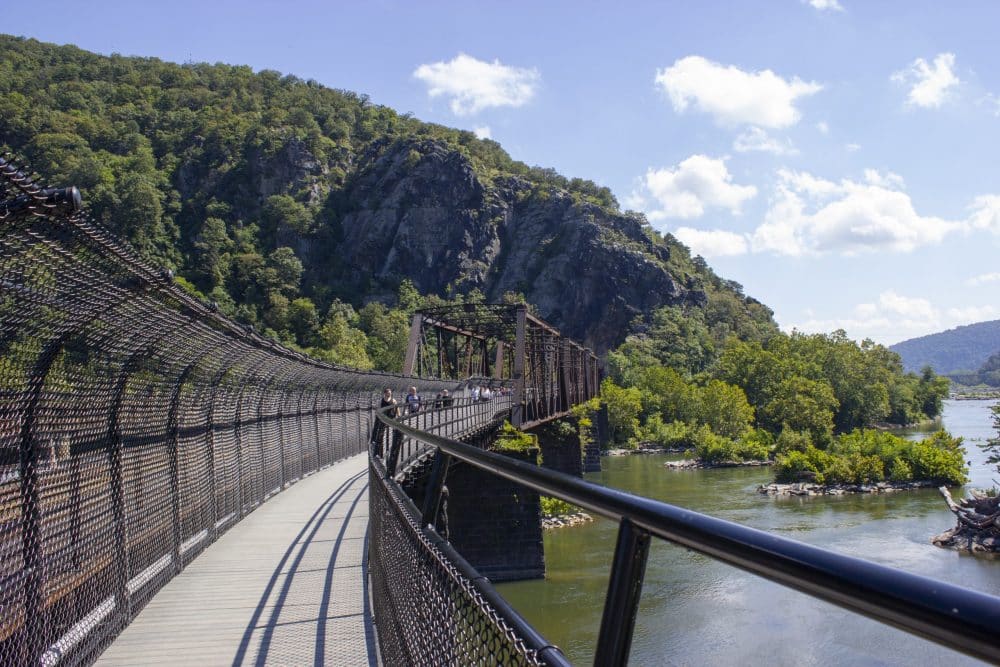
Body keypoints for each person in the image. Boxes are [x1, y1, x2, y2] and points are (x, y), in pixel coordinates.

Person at [371, 387, 399, 456]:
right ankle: (380, 449)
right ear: (385, 393)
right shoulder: (381, 401)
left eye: (390, 393)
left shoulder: (393, 400)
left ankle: (393, 445)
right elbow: (378, 409)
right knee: (382, 432)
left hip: (391, 418)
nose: (389, 394)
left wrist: (398, 415)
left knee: (393, 431)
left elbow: (396, 407)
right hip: (383, 419)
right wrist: (378, 416)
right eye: (388, 393)